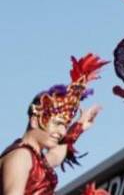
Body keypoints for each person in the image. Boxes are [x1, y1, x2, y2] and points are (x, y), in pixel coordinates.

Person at [2, 55, 104, 195]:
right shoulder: (22, 156)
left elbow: (56, 156)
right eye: (57, 123)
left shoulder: (37, 160)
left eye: (65, 126)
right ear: (35, 120)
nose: (62, 132)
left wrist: (79, 126)